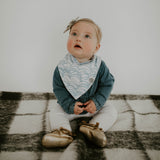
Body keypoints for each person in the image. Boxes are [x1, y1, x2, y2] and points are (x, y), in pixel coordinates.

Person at [42, 18, 117, 148]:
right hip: (70, 108)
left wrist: (97, 102)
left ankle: (94, 127)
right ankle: (63, 132)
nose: (78, 39)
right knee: (55, 111)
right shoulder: (62, 67)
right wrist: (69, 105)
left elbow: (107, 84)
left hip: (93, 107)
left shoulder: (99, 66)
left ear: (96, 47)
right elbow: (59, 88)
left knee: (111, 110)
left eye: (87, 36)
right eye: (74, 34)